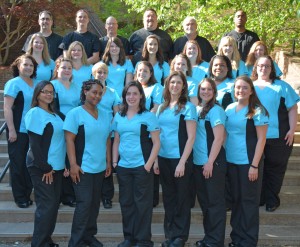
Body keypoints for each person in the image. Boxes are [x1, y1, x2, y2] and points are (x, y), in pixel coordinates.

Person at [64, 79, 112, 247]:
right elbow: (69, 140)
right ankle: (75, 242)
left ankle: (89, 237)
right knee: (84, 205)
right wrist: (73, 165)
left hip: (99, 167)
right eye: (94, 92)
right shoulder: (75, 114)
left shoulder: (106, 114)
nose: (97, 96)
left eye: (100, 93)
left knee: (94, 204)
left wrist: (108, 162)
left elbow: (107, 139)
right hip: (82, 168)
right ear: (85, 91)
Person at [112, 81, 160, 247]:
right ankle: (129, 238)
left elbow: (156, 143)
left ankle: (143, 240)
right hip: (124, 167)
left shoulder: (148, 116)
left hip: (142, 167)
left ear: (141, 96)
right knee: (126, 203)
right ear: (124, 97)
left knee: (143, 204)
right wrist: (114, 162)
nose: (131, 97)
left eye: (135, 93)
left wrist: (148, 165)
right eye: (128, 94)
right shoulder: (119, 115)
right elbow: (116, 140)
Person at [252, 55, 299, 212]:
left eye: (267, 66)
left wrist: (292, 130)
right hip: (255, 136)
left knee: (275, 169)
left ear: (272, 69)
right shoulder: (249, 86)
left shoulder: (282, 86)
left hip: (278, 136)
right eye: (260, 66)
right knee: (257, 168)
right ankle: (259, 198)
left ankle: (272, 199)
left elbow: (292, 108)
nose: (263, 69)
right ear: (255, 67)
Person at [225, 75, 269, 246]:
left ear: (251, 91)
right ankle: (237, 237)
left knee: (249, 202)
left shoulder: (258, 111)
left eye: (245, 87)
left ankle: (249, 240)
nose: (240, 90)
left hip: (249, 164)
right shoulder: (229, 109)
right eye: (238, 87)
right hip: (231, 162)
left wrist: (254, 165)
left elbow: (261, 140)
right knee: (236, 201)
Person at [156, 71, 197, 247]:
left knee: (182, 198)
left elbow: (191, 137)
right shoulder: (161, 107)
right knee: (169, 197)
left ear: (183, 86)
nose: (175, 85)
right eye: (172, 82)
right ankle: (170, 235)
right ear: (167, 85)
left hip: (181, 159)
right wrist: (156, 159)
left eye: (178, 82)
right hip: (163, 158)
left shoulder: (188, 107)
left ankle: (180, 236)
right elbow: (157, 135)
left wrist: (182, 162)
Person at [25, 80, 65, 247]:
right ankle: (39, 243)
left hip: (57, 167)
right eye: (45, 92)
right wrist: (45, 168)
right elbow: (35, 145)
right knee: (46, 207)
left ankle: (46, 240)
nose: (49, 94)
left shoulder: (56, 115)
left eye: (51, 92)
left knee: (53, 206)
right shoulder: (35, 113)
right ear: (38, 94)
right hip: (42, 167)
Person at [193, 78, 227, 247]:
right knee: (206, 203)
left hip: (212, 163)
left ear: (214, 92)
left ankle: (216, 241)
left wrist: (210, 162)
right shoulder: (198, 109)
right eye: (203, 89)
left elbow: (220, 137)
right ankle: (209, 238)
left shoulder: (216, 110)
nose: (205, 92)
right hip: (199, 163)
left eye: (209, 89)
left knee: (215, 203)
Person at [3, 54, 38, 208]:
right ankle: (20, 197)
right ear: (18, 66)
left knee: (28, 165)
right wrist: (11, 130)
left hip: (33, 131)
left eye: (31, 65)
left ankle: (27, 193)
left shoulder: (36, 84)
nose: (29, 67)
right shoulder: (13, 83)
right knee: (17, 164)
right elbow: (7, 107)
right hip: (18, 130)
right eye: (26, 64)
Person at [51, 57, 81, 208]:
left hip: (74, 127)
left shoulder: (77, 87)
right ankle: (58, 194)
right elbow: (52, 107)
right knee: (59, 158)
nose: (67, 70)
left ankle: (69, 195)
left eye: (69, 68)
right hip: (58, 125)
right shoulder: (53, 86)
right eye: (64, 67)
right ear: (57, 69)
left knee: (71, 160)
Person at [92, 62, 121, 209]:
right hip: (93, 132)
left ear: (107, 75)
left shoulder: (112, 92)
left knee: (107, 164)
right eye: (98, 72)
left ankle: (107, 197)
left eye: (103, 72)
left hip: (108, 132)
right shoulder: (89, 91)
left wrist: (116, 130)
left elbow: (116, 112)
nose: (101, 75)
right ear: (93, 74)